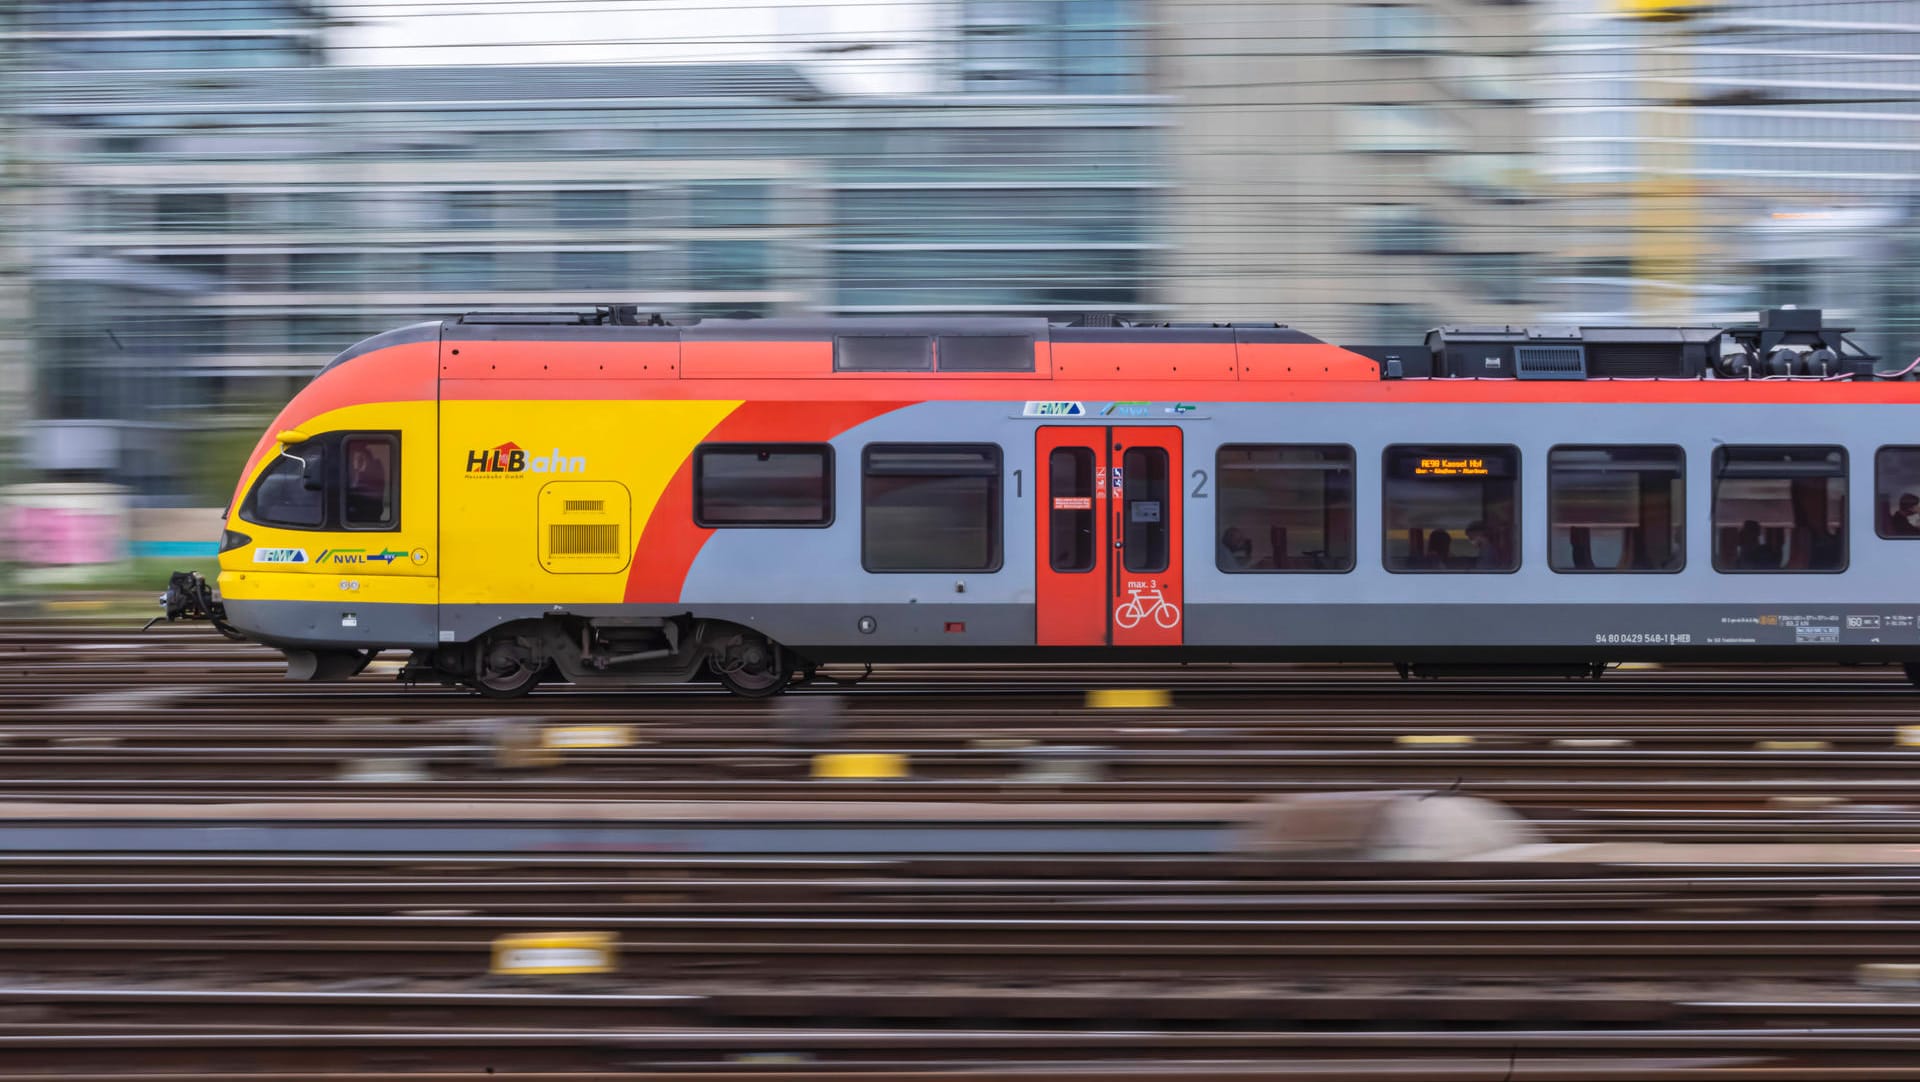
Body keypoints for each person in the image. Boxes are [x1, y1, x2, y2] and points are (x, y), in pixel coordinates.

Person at [347, 445, 388, 523]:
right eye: (355, 459)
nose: (355, 463)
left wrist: (360, 471)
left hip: (368, 515)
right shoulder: (354, 475)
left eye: (360, 459)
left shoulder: (373, 473)